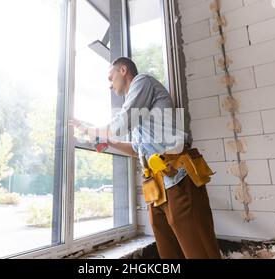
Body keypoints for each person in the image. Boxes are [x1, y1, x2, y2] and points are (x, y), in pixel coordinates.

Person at [71, 57, 221, 259]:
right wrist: (110, 141)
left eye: (110, 77)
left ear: (123, 70)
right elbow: (136, 148)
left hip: (177, 175)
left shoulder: (142, 82)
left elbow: (121, 124)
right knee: (167, 244)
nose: (109, 84)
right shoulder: (140, 115)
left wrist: (92, 130)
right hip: (156, 184)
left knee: (196, 242)